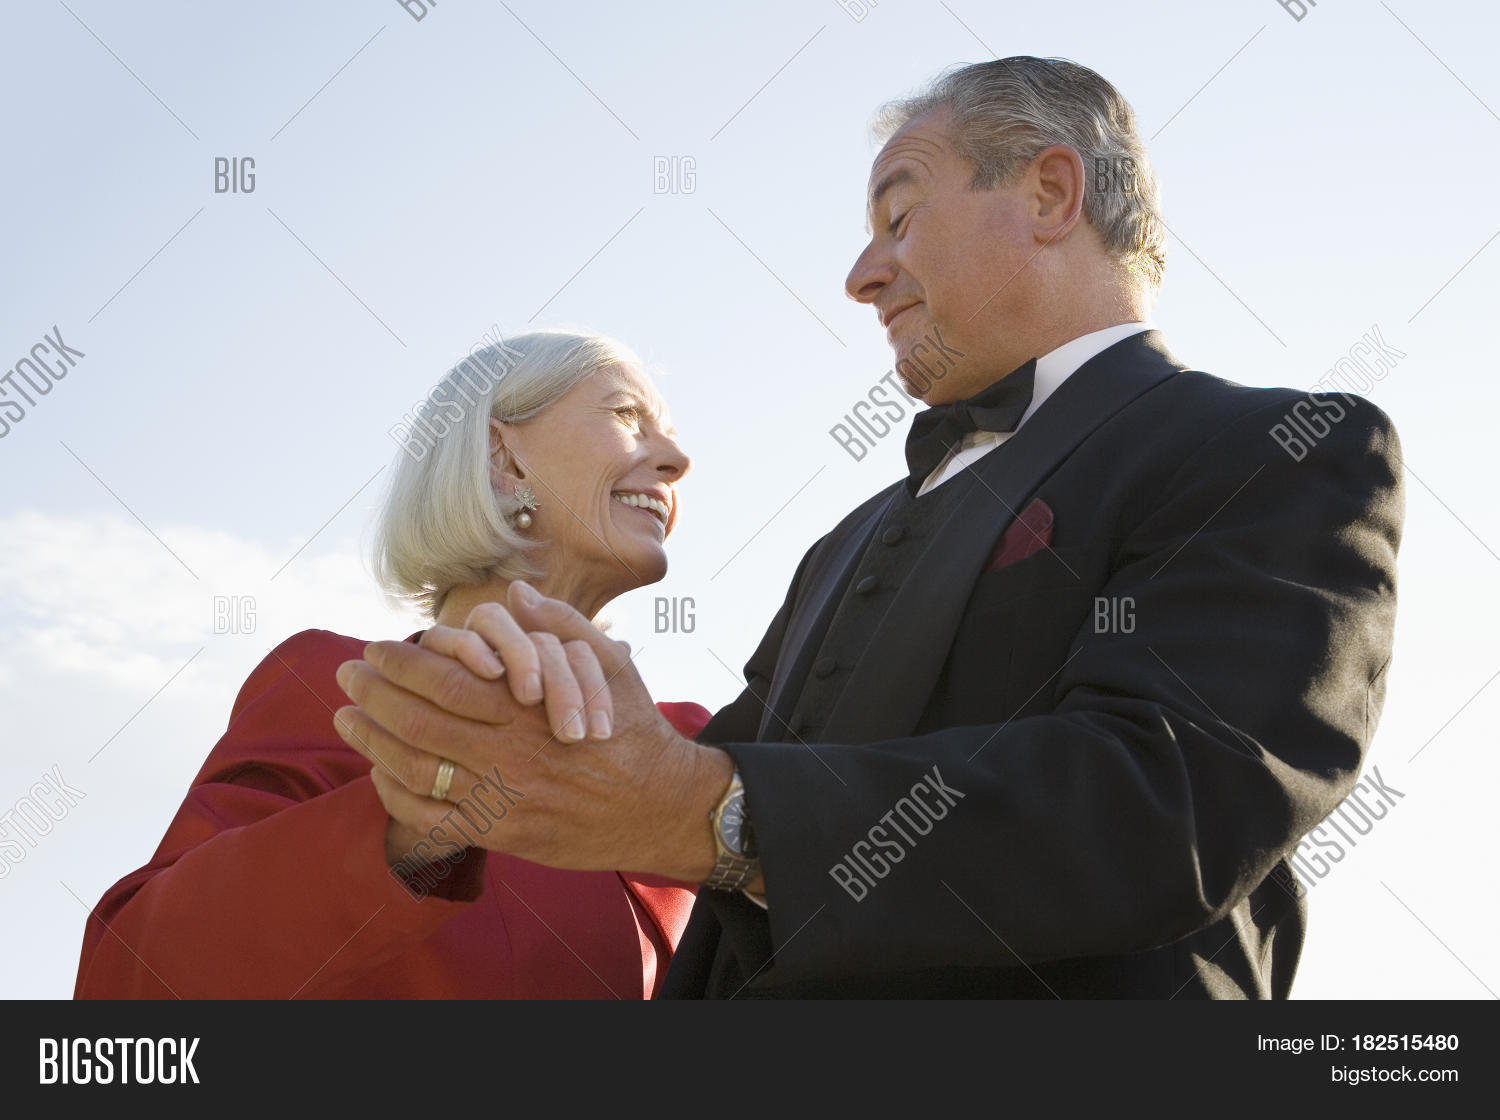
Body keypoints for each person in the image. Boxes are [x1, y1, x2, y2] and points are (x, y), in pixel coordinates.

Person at [338, 58, 1404, 998]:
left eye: (900, 218)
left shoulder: (1283, 449)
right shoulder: (840, 543)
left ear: (1049, 190)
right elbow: (681, 822)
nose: (861, 276)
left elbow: (1164, 802)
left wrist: (710, 810)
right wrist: (477, 765)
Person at [74, 329, 707, 999]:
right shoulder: (340, 690)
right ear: (505, 460)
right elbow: (135, 976)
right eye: (627, 417)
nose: (676, 459)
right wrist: (406, 830)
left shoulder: (698, 745)